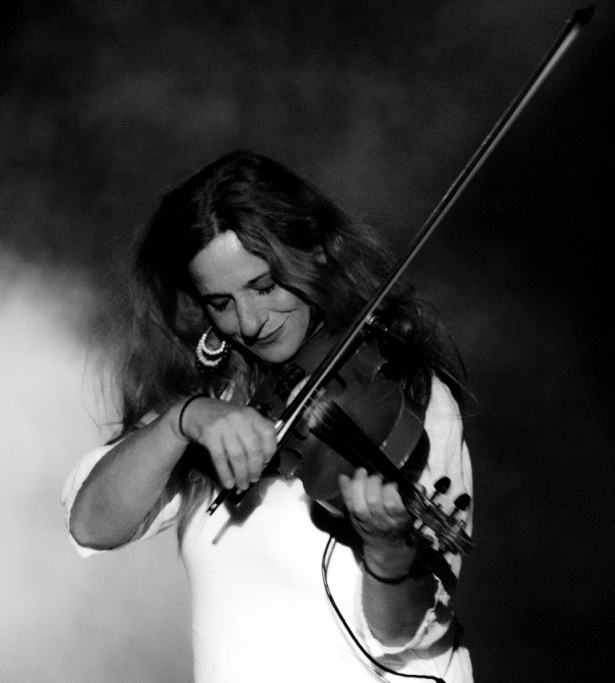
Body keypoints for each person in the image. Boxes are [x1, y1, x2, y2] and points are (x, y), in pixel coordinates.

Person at [61, 149, 474, 682]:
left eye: (263, 286)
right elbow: (92, 525)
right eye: (221, 303)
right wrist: (182, 419)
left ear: (317, 252)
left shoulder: (406, 391)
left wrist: (388, 548)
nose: (251, 321)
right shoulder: (223, 394)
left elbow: (398, 634)